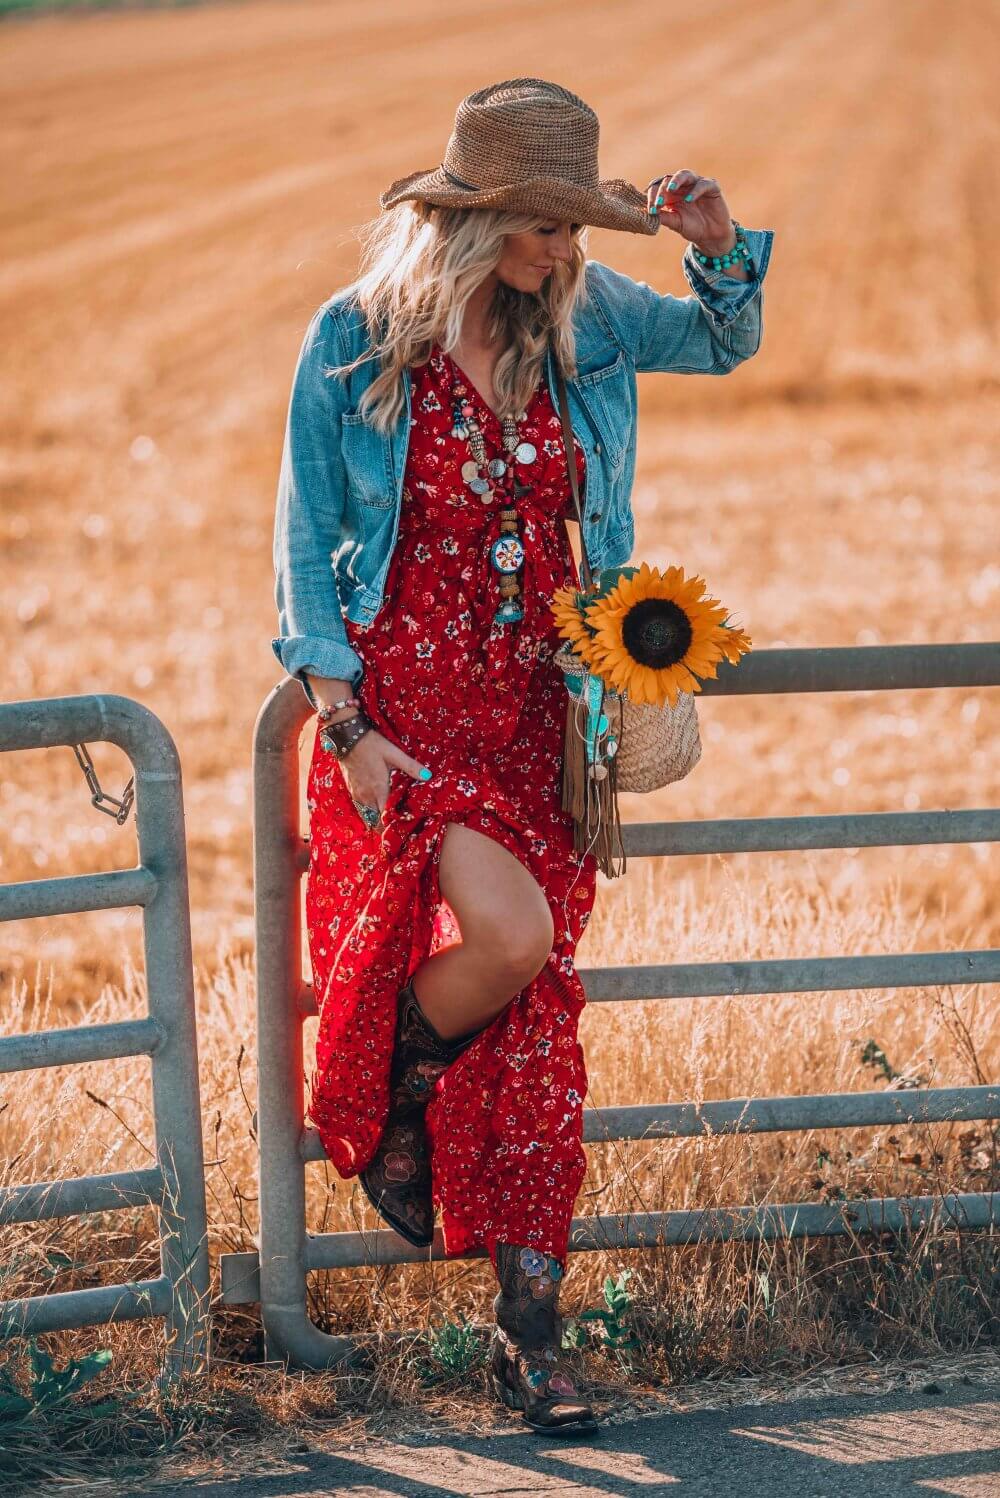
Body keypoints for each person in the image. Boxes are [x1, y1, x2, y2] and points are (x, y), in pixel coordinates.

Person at [272, 76, 773, 1436]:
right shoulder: (357, 339)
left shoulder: (587, 323)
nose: (565, 251)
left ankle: (532, 1340)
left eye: (574, 225)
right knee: (511, 939)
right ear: (478, 220)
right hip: (414, 730)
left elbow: (726, 339)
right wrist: (347, 722)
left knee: (545, 1020)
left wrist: (721, 244)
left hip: (543, 721)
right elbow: (304, 545)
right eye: (545, 226)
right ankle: (388, 1099)